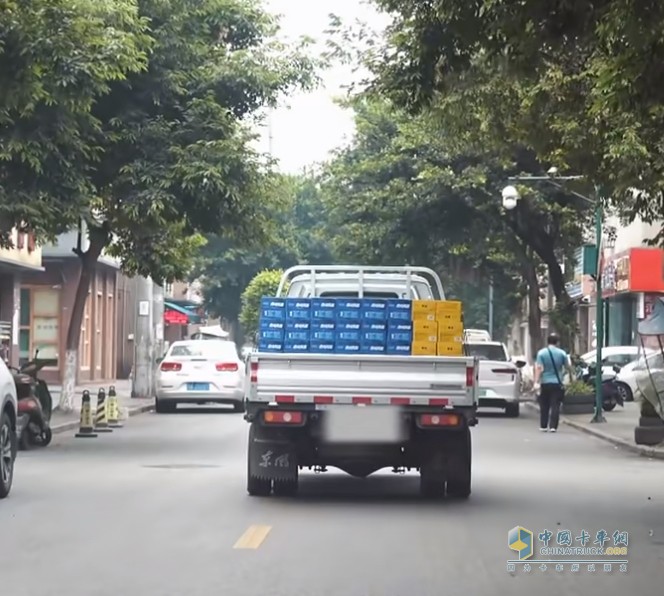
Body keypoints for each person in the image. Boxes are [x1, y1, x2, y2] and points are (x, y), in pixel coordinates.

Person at [533, 333, 573, 432]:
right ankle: (553, 426)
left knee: (544, 405)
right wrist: (570, 379)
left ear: (548, 341)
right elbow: (568, 367)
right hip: (557, 383)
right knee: (555, 405)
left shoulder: (541, 353)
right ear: (557, 342)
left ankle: (543, 425)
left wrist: (536, 381)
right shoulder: (562, 353)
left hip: (545, 382)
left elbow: (539, 368)